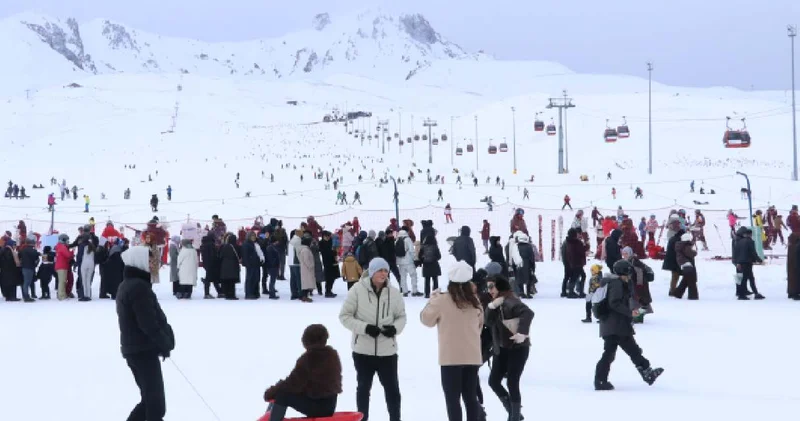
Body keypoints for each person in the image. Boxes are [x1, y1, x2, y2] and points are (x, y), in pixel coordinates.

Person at [339, 257, 407, 421]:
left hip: (387, 352)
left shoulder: (394, 292)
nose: (383, 274)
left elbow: (401, 317)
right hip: (363, 351)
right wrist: (365, 328)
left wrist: (395, 329)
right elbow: (344, 316)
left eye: (385, 270)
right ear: (371, 272)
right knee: (363, 389)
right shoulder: (357, 290)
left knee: (392, 390)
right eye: (380, 270)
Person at [116, 246, 175, 421]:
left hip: (137, 349)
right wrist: (164, 342)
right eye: (149, 261)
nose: (152, 264)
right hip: (142, 351)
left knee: (150, 402)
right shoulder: (138, 287)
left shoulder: (131, 284)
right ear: (139, 261)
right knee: (155, 405)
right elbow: (148, 323)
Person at [420, 260, 484, 421]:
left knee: (452, 400)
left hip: (450, 358)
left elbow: (426, 320)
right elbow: (480, 325)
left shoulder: (441, 300)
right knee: (470, 397)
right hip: (472, 356)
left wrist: (431, 300)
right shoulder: (475, 301)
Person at [593, 260, 664, 391]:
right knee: (632, 350)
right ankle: (647, 373)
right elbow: (614, 303)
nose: (630, 276)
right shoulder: (616, 283)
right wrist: (630, 312)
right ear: (624, 272)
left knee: (610, 353)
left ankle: (600, 380)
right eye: (629, 273)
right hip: (616, 325)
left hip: (610, 325)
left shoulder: (610, 282)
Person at [263, 324, 342, 421]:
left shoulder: (309, 358)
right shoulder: (332, 355)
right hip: (329, 405)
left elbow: (292, 383)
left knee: (282, 395)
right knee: (283, 391)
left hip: (319, 407)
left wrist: (273, 391)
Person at [484, 275, 534, 421]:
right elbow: (488, 321)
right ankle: (513, 411)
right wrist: (491, 307)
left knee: (512, 381)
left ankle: (515, 416)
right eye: (488, 287)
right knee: (493, 381)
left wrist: (522, 333)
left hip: (518, 348)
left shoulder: (511, 301)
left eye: (492, 286)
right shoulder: (496, 303)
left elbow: (528, 313)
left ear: (500, 287)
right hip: (502, 349)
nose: (489, 290)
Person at [732, 227, 764, 300]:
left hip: (739, 263)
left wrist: (737, 262)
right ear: (750, 234)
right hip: (747, 262)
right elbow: (753, 253)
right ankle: (747, 295)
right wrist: (759, 260)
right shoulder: (750, 241)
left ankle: (743, 293)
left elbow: (736, 252)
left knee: (743, 278)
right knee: (749, 278)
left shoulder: (738, 241)